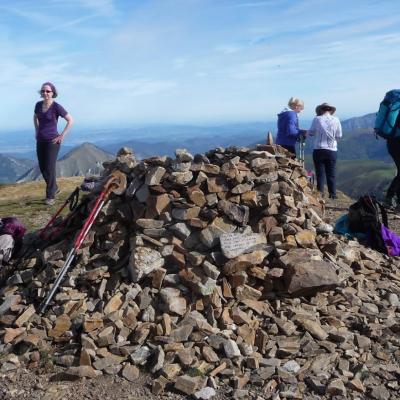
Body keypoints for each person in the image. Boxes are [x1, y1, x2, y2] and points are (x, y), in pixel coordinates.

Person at [33, 82, 73, 205]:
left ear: (53, 93)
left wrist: (62, 135)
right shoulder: (38, 105)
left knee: (50, 168)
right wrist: (37, 130)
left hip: (52, 141)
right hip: (40, 140)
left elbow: (70, 120)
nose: (45, 93)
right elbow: (35, 117)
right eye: (43, 91)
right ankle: (55, 188)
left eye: (48, 91)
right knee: (43, 167)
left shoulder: (56, 107)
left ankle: (50, 196)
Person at [308, 102, 342, 199]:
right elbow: (339, 135)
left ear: (321, 110)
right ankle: (333, 194)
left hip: (319, 149)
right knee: (331, 173)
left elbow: (311, 133)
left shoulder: (317, 119)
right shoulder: (336, 119)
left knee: (320, 173)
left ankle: (320, 194)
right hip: (332, 150)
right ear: (331, 110)